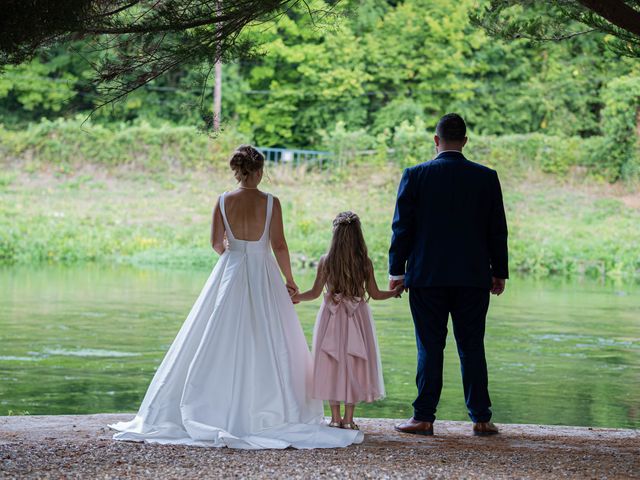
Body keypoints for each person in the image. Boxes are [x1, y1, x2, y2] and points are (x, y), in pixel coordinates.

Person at [110, 145, 363, 449]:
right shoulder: (271, 202)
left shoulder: (222, 201)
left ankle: (211, 406)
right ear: (259, 171)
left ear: (237, 171)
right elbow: (279, 245)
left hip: (230, 270)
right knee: (270, 336)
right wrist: (290, 280)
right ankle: (273, 410)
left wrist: (233, 258)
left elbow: (216, 243)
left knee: (217, 333)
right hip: (263, 271)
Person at [389, 113, 509, 437]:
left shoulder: (415, 175)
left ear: (436, 140)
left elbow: (402, 228)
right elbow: (497, 230)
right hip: (472, 277)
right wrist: (499, 272)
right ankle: (481, 418)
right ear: (465, 141)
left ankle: (424, 417)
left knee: (429, 346)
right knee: (472, 346)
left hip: (427, 276)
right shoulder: (486, 177)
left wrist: (396, 271)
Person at [293, 211, 402, 431]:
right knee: (355, 362)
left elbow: (314, 293)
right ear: (358, 235)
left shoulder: (327, 260)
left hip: (331, 316)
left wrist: (295, 297)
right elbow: (376, 294)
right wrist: (396, 292)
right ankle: (349, 419)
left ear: (335, 234)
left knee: (331, 362)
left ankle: (334, 418)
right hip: (357, 317)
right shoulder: (365, 262)